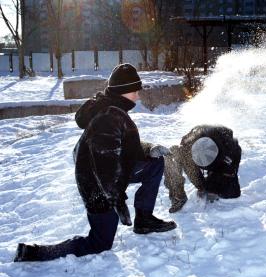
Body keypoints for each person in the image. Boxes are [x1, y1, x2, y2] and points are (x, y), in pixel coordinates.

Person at [14, 63, 176, 262]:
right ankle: (35, 252)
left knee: (155, 163)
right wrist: (117, 200)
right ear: (124, 91)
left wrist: (149, 149)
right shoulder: (109, 117)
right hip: (96, 185)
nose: (138, 95)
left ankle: (144, 220)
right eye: (135, 90)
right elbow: (105, 167)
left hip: (109, 174)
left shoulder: (113, 110)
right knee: (100, 243)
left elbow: (122, 145)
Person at [164, 125, 242, 213]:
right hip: (196, 159)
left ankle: (208, 185)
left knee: (227, 192)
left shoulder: (230, 152)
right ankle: (178, 196)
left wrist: (211, 188)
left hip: (220, 168)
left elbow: (230, 177)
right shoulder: (190, 140)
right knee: (173, 152)